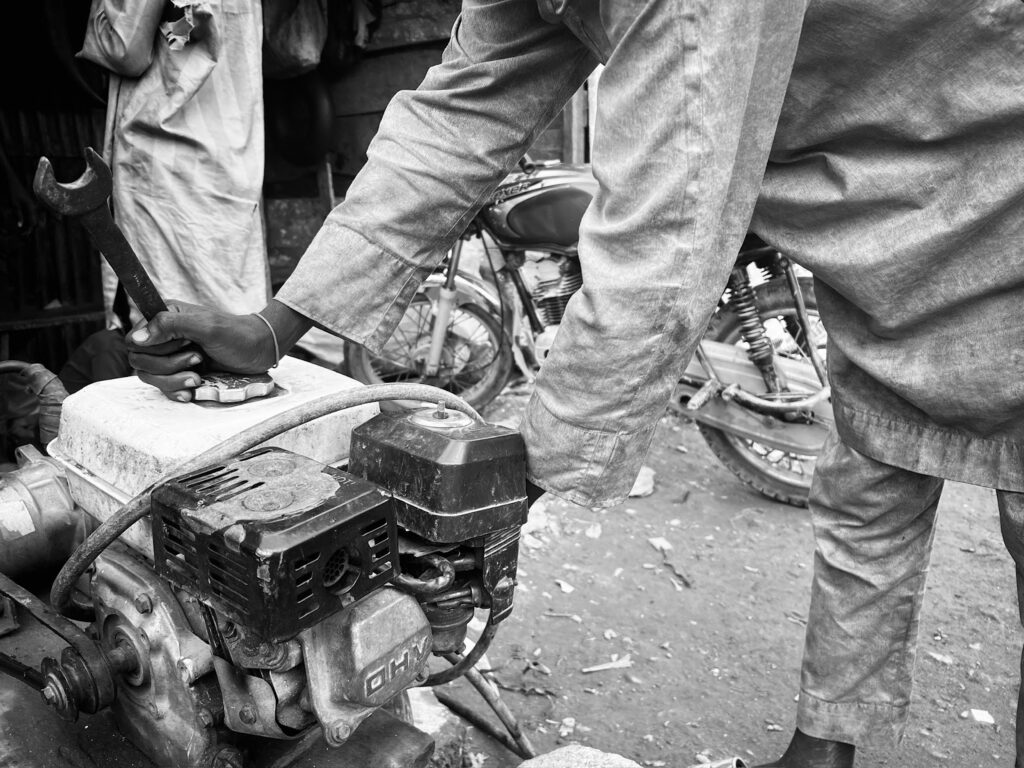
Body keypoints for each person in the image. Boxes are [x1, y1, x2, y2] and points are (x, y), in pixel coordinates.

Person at [126, 2, 1024, 766]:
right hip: (859, 218)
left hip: (992, 185)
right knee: (867, 481)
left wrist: (492, 488)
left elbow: (663, 239)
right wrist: (277, 327)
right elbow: (456, 119)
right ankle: (826, 747)